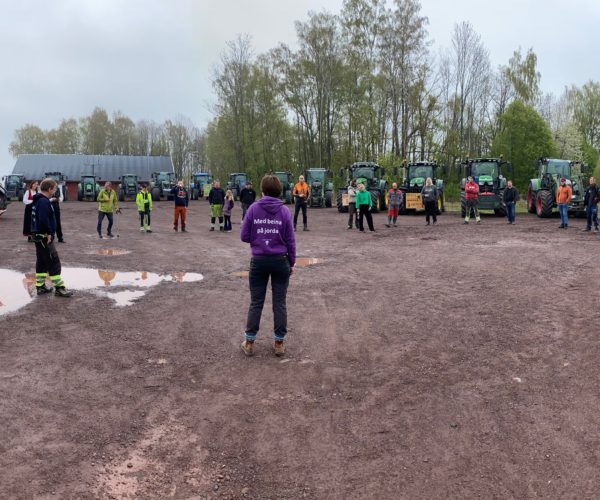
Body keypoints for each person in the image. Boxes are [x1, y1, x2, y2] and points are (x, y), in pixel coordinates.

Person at [240, 174, 296, 357]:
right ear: (279, 191)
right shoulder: (285, 211)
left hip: (259, 261)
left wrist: (259, 237)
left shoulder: (254, 209)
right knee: (279, 303)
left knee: (256, 302)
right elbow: (290, 240)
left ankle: (249, 343)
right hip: (280, 261)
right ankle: (279, 344)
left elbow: (244, 236)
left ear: (262, 190)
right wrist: (292, 262)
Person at [30, 178, 73, 297]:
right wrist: (49, 233)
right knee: (53, 261)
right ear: (49, 189)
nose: (55, 191)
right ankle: (59, 288)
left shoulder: (38, 200)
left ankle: (40, 286)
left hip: (38, 235)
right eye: (54, 188)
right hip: (44, 236)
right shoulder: (44, 202)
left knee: (42, 262)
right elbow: (43, 219)